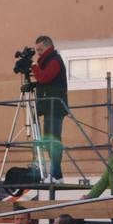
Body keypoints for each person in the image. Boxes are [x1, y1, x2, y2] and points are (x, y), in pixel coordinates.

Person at [30, 35, 68, 181]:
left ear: (48, 46)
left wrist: (34, 67)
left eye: (40, 49)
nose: (38, 52)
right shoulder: (47, 61)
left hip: (55, 107)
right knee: (48, 142)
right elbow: (44, 80)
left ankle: (56, 175)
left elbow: (45, 77)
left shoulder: (54, 61)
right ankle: (56, 174)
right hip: (49, 107)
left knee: (53, 141)